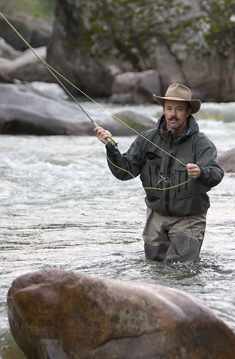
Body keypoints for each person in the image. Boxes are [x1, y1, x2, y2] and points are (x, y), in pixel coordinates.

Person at [94, 83, 224, 263]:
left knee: (180, 269)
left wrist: (201, 172)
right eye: (169, 108)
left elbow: (216, 174)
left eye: (178, 109)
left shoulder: (201, 143)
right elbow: (124, 172)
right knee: (155, 269)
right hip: (156, 216)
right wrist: (110, 147)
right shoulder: (146, 139)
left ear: (188, 112)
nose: (173, 114)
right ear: (163, 109)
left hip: (189, 217)